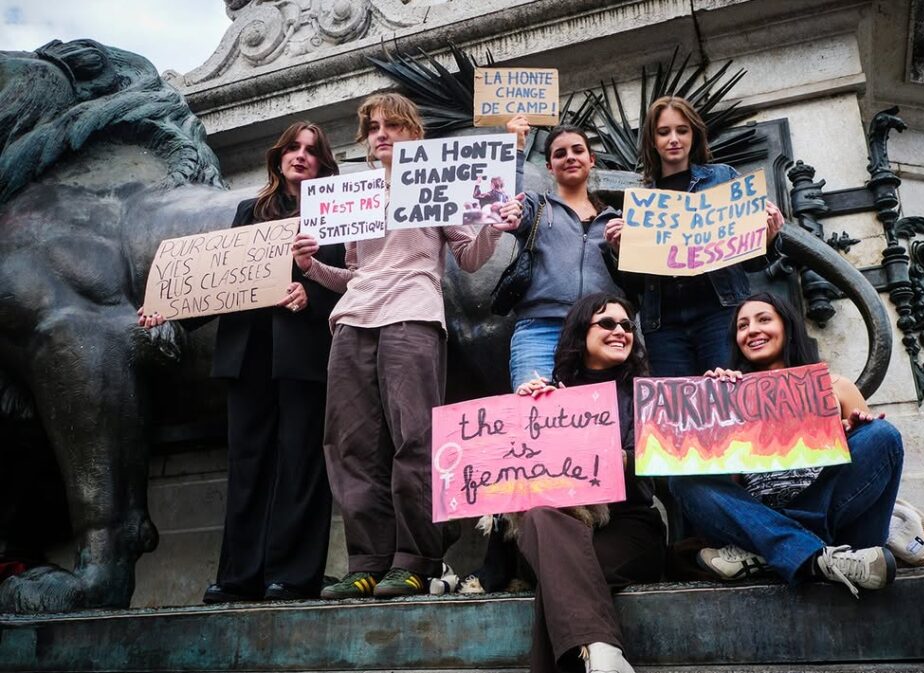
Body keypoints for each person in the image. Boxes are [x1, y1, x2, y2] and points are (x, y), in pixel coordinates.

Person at [292, 93, 505, 599]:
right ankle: (366, 562)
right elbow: (356, 274)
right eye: (372, 127)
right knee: (351, 446)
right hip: (353, 320)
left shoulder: (435, 182)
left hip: (413, 312)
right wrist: (309, 268)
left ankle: (415, 559)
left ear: (413, 132)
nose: (380, 133)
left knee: (416, 439)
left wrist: (492, 224)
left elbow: (470, 258)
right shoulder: (356, 194)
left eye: (391, 124)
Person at [139, 121, 345, 602]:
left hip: (304, 353)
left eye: (312, 151)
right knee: (247, 464)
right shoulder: (247, 211)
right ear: (278, 157)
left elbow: (355, 274)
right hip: (248, 353)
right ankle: (238, 577)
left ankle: (293, 576)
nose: (301, 156)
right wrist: (167, 309)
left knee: (301, 463)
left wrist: (310, 296)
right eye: (293, 147)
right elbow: (218, 280)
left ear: (322, 162)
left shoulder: (337, 211)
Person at [668, 292, 904, 597]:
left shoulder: (837, 387)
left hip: (833, 520)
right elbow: (731, 485)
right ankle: (814, 556)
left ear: (788, 326)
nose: (751, 330)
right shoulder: (729, 395)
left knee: (883, 435)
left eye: (763, 319)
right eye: (742, 326)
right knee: (682, 477)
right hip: (763, 514)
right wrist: (716, 407)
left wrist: (851, 433)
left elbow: (866, 474)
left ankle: (773, 552)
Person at [514, 292, 666, 673]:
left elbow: (662, 467)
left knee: (558, 585)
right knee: (538, 517)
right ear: (581, 333)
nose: (621, 331)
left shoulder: (649, 394)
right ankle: (604, 654)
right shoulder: (548, 397)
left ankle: (603, 654)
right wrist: (524, 418)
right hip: (564, 527)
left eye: (628, 325)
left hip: (630, 525)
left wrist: (615, 457)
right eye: (608, 323)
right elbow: (522, 475)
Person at [604, 96, 785, 378]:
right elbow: (635, 284)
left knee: (729, 399)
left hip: (720, 312)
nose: (674, 139)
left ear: (694, 135)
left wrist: (769, 238)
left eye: (682, 130)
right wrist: (620, 251)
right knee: (680, 412)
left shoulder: (723, 178)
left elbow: (751, 263)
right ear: (652, 140)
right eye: (664, 132)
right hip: (664, 324)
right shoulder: (641, 200)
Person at [497, 116, 626, 389]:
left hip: (599, 331)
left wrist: (621, 247)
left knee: (602, 423)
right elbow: (508, 200)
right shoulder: (536, 206)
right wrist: (515, 147)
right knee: (538, 419)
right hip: (540, 330)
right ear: (549, 167)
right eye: (560, 153)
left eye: (577, 150)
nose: (570, 157)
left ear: (591, 160)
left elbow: (635, 279)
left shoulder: (614, 220)